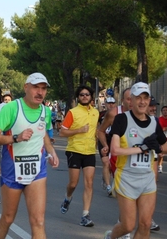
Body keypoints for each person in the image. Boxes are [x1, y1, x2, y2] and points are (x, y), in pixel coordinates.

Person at [0, 72, 59, 238]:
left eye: (43, 89)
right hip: (13, 170)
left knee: (38, 221)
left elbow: (44, 134)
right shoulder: (12, 108)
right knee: (8, 218)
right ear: (26, 87)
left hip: (37, 171)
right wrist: (15, 138)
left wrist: (52, 151)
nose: (40, 92)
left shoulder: (45, 112)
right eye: (36, 88)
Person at [103, 82, 167, 239]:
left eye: (145, 98)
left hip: (147, 178)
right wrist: (142, 148)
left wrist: (159, 149)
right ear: (130, 100)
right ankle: (111, 236)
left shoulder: (154, 122)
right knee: (128, 225)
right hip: (126, 177)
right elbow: (115, 150)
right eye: (138, 98)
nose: (142, 102)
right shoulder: (122, 119)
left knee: (146, 224)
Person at [59, 85, 99, 227]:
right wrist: (79, 130)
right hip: (74, 151)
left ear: (91, 97)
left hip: (90, 152)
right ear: (78, 97)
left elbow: (96, 131)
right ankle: (67, 198)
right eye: (81, 95)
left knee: (89, 183)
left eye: (87, 94)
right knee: (73, 184)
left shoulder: (96, 113)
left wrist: (104, 144)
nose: (84, 97)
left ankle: (85, 215)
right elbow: (62, 132)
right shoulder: (73, 112)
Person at [97, 96, 116, 196]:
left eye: (113, 103)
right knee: (105, 162)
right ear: (105, 104)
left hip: (114, 140)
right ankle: (109, 187)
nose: (111, 105)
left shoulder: (118, 114)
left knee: (111, 164)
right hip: (103, 139)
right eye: (109, 103)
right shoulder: (101, 114)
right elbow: (97, 127)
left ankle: (106, 176)